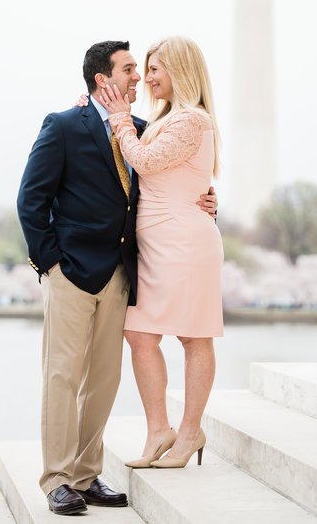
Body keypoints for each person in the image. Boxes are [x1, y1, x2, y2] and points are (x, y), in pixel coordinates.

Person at [17, 40, 217, 515]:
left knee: (104, 380)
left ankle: (87, 476)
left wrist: (208, 203)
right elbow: (31, 198)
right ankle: (58, 478)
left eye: (143, 69)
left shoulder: (143, 132)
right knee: (63, 376)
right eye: (130, 69)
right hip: (71, 272)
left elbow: (173, 183)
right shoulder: (64, 125)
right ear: (102, 80)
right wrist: (51, 263)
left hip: (123, 275)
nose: (139, 78)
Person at [98, 35, 224, 469]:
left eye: (154, 69)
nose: (147, 78)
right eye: (145, 69)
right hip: (155, 245)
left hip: (184, 245)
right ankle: (159, 430)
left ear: (180, 70)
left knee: (194, 336)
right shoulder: (167, 119)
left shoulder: (192, 120)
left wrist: (119, 120)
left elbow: (146, 163)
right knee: (139, 334)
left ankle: (190, 433)